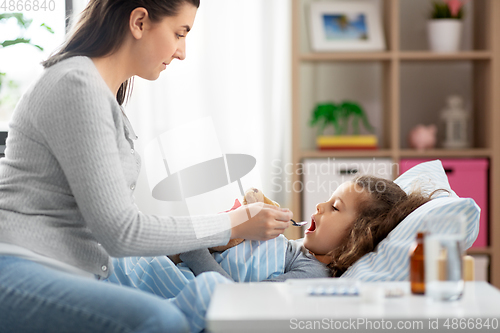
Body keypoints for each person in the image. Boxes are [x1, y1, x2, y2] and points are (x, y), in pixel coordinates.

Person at [0, 1, 292, 332]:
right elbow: (123, 233)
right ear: (139, 22)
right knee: (161, 320)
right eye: (179, 33)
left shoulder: (103, 95)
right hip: (19, 264)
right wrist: (232, 225)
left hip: (67, 270)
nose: (182, 52)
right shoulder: (75, 84)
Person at [180, 175, 436, 281]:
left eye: (335, 207)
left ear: (356, 237)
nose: (320, 205)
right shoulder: (298, 250)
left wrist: (193, 247)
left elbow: (238, 300)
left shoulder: (312, 273)